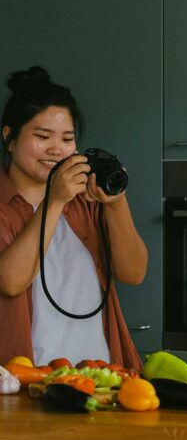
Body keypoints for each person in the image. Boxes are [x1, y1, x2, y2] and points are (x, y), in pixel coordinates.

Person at [0, 66, 147, 369]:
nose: (56, 149)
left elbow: (134, 273)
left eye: (67, 139)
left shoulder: (86, 201)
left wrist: (116, 204)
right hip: (28, 378)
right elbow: (10, 282)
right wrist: (54, 200)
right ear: (9, 138)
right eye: (42, 136)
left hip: (99, 373)